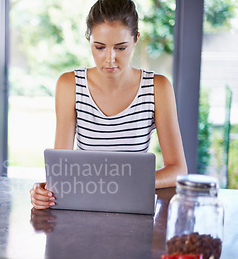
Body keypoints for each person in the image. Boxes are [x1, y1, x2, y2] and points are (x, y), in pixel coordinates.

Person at [30, 0, 187, 210]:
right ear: (89, 39)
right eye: (100, 47)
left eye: (121, 47)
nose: (110, 59)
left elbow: (178, 170)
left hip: (134, 207)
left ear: (136, 39)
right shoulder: (70, 85)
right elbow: (61, 170)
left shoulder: (157, 87)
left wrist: (121, 185)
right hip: (85, 207)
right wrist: (45, 192)